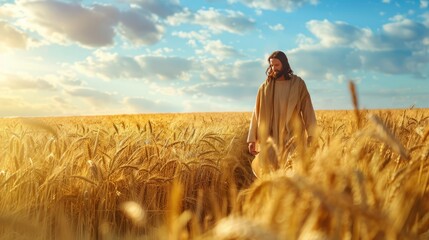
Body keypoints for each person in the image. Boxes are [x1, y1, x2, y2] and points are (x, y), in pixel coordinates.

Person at [247, 50, 317, 177]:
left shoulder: (298, 84)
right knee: (270, 173)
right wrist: (252, 139)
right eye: (272, 65)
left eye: (277, 65)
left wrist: (312, 134)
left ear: (284, 64)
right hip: (271, 138)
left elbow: (308, 110)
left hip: (293, 137)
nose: (274, 68)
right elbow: (256, 113)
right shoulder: (264, 87)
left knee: (293, 173)